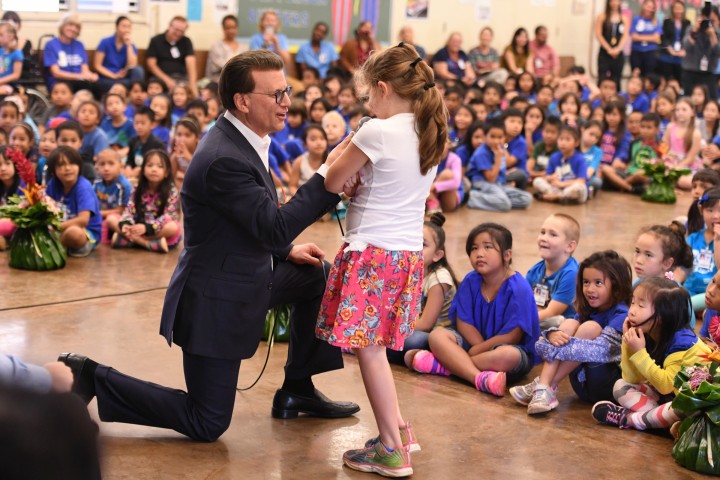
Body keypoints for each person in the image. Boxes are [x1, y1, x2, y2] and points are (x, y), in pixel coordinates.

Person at [58, 50, 359, 442]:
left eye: (286, 90)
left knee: (315, 274)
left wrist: (286, 253)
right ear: (243, 100)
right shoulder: (223, 158)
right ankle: (91, 376)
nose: (287, 101)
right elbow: (274, 226)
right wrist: (329, 174)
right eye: (277, 94)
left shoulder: (244, 136)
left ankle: (297, 389)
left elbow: (245, 220)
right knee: (208, 421)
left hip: (245, 276)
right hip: (215, 298)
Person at [315, 43, 446, 477]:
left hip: (373, 254)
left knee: (369, 352)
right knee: (376, 348)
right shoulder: (427, 131)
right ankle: (398, 430)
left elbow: (332, 178)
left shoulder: (377, 131)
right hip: (406, 255)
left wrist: (351, 143)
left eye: (368, 95)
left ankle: (391, 448)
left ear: (384, 88)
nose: (367, 104)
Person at [410, 223, 540, 395]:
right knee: (438, 336)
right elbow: (463, 322)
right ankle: (478, 378)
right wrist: (477, 346)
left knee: (509, 356)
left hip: (504, 349)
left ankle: (447, 365)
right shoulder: (471, 280)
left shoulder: (519, 287)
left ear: (507, 255)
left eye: (488, 247)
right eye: (474, 248)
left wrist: (475, 351)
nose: (479, 253)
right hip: (473, 346)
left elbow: (513, 335)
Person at [512, 250, 632, 413]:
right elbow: (541, 346)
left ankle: (544, 384)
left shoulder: (621, 314)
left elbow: (600, 351)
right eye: (586, 282)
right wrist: (552, 336)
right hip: (581, 385)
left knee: (590, 328)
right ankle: (545, 386)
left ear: (616, 285)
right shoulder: (588, 310)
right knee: (568, 323)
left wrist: (548, 342)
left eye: (598, 283)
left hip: (606, 387)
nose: (589, 289)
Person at [591, 278, 711, 431]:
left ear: (662, 316)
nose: (632, 310)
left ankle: (628, 419)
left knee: (681, 407)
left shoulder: (682, 344)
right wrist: (628, 344)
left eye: (641, 305)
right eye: (633, 302)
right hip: (666, 400)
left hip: (692, 405)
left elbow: (665, 386)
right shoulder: (648, 332)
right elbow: (631, 378)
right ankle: (653, 420)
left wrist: (640, 352)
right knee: (620, 386)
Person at [393, 213, 457, 366]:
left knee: (413, 340)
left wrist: (391, 327)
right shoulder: (407, 270)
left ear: (437, 255)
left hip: (435, 335)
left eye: (422, 244)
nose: (414, 248)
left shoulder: (439, 278)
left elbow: (426, 324)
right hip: (410, 328)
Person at [109, 149, 179, 252]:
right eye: (150, 165)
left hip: (156, 228)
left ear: (166, 172)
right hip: (137, 226)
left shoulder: (171, 190)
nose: (154, 169)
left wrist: (148, 228)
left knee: (173, 227)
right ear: (143, 170)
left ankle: (134, 241)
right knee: (111, 219)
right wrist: (126, 224)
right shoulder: (138, 187)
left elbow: (168, 215)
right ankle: (148, 244)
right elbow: (129, 209)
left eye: (160, 166)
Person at [525, 214, 580, 331]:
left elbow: (552, 312)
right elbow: (525, 303)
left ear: (570, 246)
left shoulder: (572, 274)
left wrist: (520, 322)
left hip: (561, 326)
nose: (544, 238)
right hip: (539, 319)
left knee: (557, 320)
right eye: (542, 232)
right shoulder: (535, 271)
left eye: (553, 234)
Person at [45, 146, 102, 257]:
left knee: (73, 233)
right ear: (53, 171)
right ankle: (58, 245)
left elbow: (83, 220)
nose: (67, 168)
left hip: (85, 233)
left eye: (72, 164)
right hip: (59, 229)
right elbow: (46, 206)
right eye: (61, 165)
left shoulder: (83, 187)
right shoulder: (53, 184)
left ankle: (51, 246)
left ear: (79, 166)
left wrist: (56, 227)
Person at [466, 118, 533, 212]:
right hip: (482, 183)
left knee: (527, 198)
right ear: (485, 137)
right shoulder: (481, 153)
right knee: (504, 204)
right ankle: (472, 198)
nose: (496, 141)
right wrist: (498, 158)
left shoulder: (500, 150)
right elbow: (490, 178)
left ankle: (497, 201)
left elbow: (500, 172)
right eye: (492, 137)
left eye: (500, 137)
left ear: (505, 138)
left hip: (498, 184)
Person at [676, 186, 720, 313]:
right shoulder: (694, 238)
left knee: (684, 307)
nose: (715, 216)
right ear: (701, 210)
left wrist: (718, 241)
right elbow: (683, 264)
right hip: (689, 289)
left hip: (712, 292)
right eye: (710, 210)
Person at [43, 14, 99, 97]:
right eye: (70, 25)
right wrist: (79, 76)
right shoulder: (51, 44)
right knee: (82, 88)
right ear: (62, 26)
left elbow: (85, 70)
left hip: (80, 81)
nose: (73, 29)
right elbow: (56, 73)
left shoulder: (79, 45)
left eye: (77, 27)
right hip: (59, 81)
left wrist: (91, 75)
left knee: (97, 86)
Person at [533, 125, 589, 204]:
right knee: (537, 181)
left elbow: (581, 180)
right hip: (556, 188)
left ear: (576, 143)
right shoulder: (554, 157)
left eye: (567, 140)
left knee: (580, 187)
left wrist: (562, 184)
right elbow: (547, 176)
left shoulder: (580, 159)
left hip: (571, 189)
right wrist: (551, 178)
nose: (563, 143)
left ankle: (554, 197)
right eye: (561, 139)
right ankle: (559, 197)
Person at [146, 16, 198, 97]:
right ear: (170, 26)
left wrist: (193, 85)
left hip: (181, 78)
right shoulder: (156, 40)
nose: (178, 33)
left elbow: (191, 64)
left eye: (181, 31)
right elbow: (151, 65)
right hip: (160, 78)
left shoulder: (186, 41)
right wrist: (166, 80)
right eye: (176, 30)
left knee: (184, 92)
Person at [93, 16, 143, 94]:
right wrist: (113, 75)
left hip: (123, 79)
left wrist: (129, 46)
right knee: (118, 85)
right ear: (116, 28)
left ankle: (135, 96)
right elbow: (97, 66)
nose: (126, 30)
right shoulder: (105, 42)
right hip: (107, 79)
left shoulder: (131, 45)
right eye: (123, 26)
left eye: (129, 27)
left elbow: (133, 66)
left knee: (139, 70)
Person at [681, 4, 720, 100]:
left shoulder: (717, 34)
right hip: (691, 71)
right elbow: (686, 46)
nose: (709, 23)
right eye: (707, 20)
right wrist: (695, 30)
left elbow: (718, 52)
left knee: (711, 100)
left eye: (712, 21)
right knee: (688, 99)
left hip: (708, 73)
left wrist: (712, 35)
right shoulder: (691, 30)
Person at [595, 0, 630, 88]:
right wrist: (608, 49)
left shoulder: (624, 18)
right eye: (612, 1)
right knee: (602, 77)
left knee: (617, 78)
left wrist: (618, 49)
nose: (615, 3)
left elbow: (625, 36)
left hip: (618, 53)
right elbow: (598, 34)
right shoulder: (602, 16)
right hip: (605, 52)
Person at [657, 1, 691, 82]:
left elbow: (689, 38)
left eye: (680, 9)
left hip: (681, 58)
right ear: (672, 10)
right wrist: (670, 49)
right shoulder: (667, 21)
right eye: (676, 9)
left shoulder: (687, 23)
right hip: (667, 57)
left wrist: (684, 50)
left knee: (679, 81)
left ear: (684, 10)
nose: (678, 11)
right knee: (665, 80)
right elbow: (663, 38)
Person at [205, 15, 242, 84]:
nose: (231, 30)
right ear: (223, 29)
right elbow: (224, 66)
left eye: (233, 27)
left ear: (237, 28)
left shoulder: (241, 47)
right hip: (217, 81)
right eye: (228, 28)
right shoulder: (216, 46)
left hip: (237, 81)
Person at [629, 0, 662, 77]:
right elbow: (634, 37)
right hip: (636, 52)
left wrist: (640, 37)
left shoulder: (656, 21)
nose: (649, 9)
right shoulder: (637, 19)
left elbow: (656, 38)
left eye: (652, 7)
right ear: (643, 6)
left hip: (650, 52)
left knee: (648, 76)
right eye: (648, 6)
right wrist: (650, 37)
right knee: (636, 75)